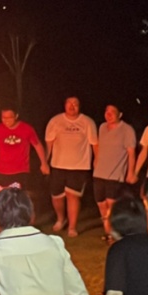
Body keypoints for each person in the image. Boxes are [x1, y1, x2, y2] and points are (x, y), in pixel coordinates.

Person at [45, 97, 97, 236]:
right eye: (69, 103)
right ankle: (61, 219)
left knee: (72, 196)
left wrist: (96, 160)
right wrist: (45, 161)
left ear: (79, 106)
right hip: (58, 165)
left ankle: (72, 227)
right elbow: (49, 143)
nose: (72, 106)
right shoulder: (55, 121)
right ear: (64, 105)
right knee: (56, 196)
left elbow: (94, 143)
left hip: (79, 166)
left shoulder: (87, 122)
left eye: (75, 104)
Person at [0, 108, 48, 197]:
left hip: (20, 171)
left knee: (16, 197)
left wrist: (44, 163)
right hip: (1, 170)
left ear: (16, 116)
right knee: (0, 197)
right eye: (3, 117)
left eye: (9, 117)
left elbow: (37, 145)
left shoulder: (27, 129)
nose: (6, 120)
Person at [92, 105, 137, 239]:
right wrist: (96, 161)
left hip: (115, 173)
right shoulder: (102, 128)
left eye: (112, 112)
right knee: (101, 204)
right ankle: (108, 232)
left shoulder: (126, 129)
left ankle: (113, 233)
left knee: (111, 204)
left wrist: (131, 172)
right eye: (107, 111)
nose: (109, 114)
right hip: (99, 172)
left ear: (120, 114)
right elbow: (99, 147)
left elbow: (131, 153)